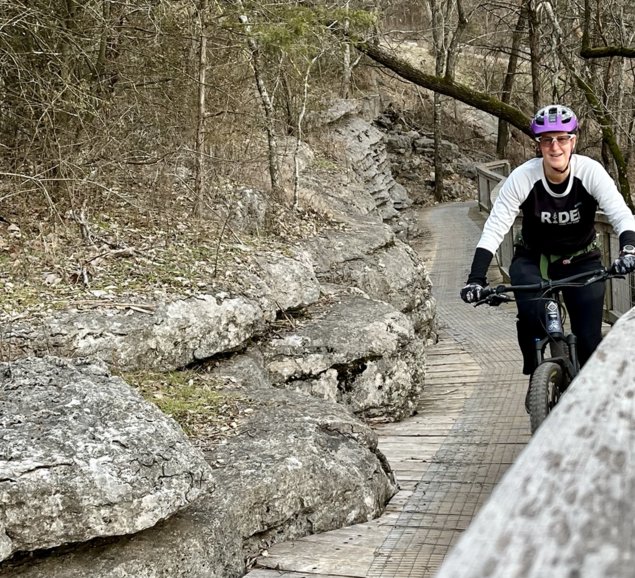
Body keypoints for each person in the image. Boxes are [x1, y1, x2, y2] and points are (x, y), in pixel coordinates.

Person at [460, 104, 635, 398]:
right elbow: (495, 227)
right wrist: (476, 278)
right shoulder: (523, 177)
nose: (555, 147)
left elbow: (620, 214)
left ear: (573, 141)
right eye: (546, 140)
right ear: (539, 145)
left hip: (582, 260)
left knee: (590, 337)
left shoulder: (590, 172)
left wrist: (629, 249)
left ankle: (589, 401)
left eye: (562, 139)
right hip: (534, 260)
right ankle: (537, 375)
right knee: (531, 317)